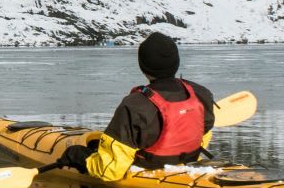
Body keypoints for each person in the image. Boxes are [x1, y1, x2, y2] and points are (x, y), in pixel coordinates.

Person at [55, 32, 218, 180]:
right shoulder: (201, 93)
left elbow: (110, 170)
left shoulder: (135, 105)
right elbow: (202, 135)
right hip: (188, 163)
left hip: (149, 170)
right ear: (176, 62)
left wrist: (77, 156)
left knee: (82, 153)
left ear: (143, 67)